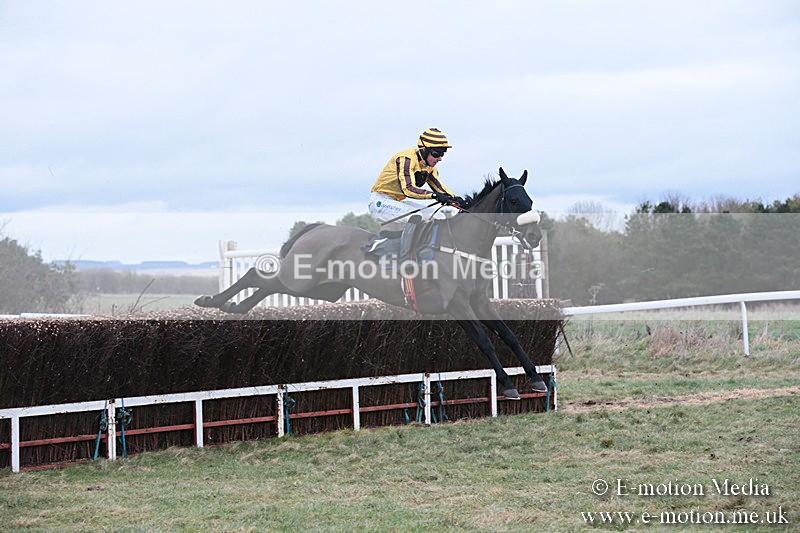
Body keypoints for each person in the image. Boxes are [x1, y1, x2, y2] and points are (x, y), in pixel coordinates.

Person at [369, 128, 466, 261]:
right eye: (437, 153)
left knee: (439, 216)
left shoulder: (429, 167)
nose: (440, 158)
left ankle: (428, 251)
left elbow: (440, 189)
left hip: (397, 202)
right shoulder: (406, 159)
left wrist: (458, 200)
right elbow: (408, 189)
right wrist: (434, 196)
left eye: (443, 153)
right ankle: (405, 259)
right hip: (379, 202)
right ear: (424, 149)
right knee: (416, 215)